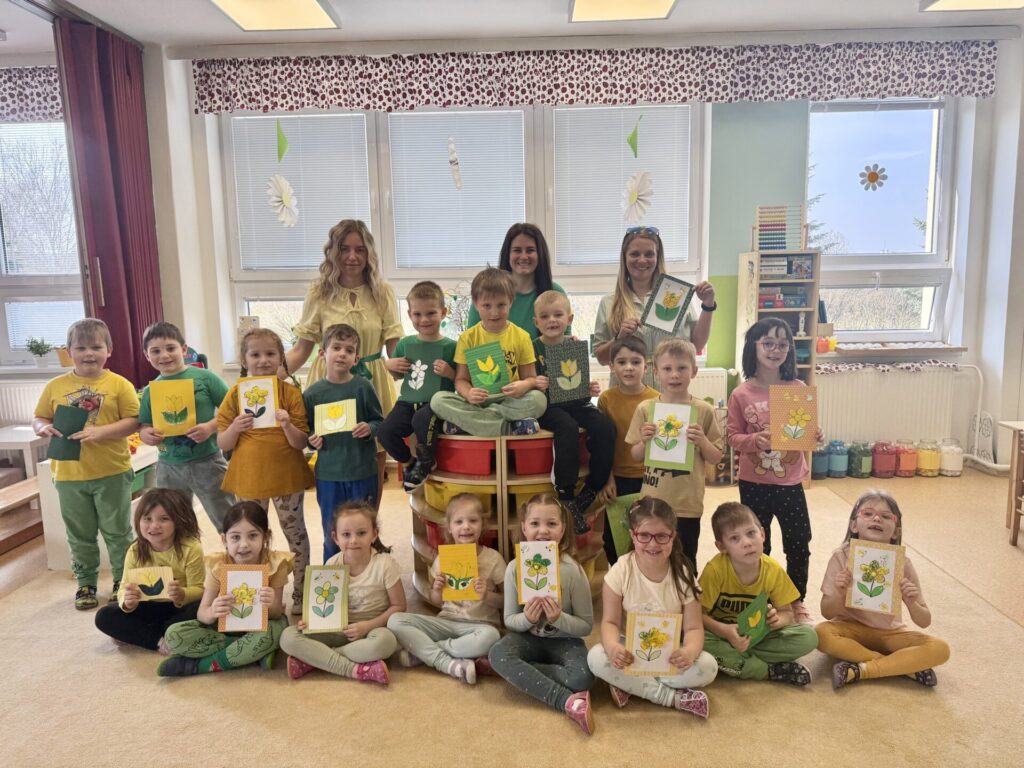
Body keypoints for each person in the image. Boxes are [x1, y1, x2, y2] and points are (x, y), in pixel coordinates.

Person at [286, 219, 404, 500]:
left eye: (360, 250)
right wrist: (265, 374)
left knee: (373, 456)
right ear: (332, 252)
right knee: (332, 451)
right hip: (330, 383)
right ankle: (335, 521)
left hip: (372, 381)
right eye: (344, 249)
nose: (352, 256)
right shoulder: (318, 292)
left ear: (369, 254)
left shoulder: (383, 292)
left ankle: (369, 524)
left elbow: (395, 349)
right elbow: (302, 349)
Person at [32, 318, 140, 610]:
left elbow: (134, 421)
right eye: (80, 348)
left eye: (96, 347)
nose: (89, 353)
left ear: (109, 350)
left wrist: (100, 432)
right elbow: (39, 417)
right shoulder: (55, 386)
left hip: (112, 471)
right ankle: (86, 583)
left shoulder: (120, 384)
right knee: (80, 534)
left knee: (118, 532)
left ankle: (123, 581)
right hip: (69, 474)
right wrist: (42, 428)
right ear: (69, 351)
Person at [407, 268, 547, 488]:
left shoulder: (521, 336)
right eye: (486, 305)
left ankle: (469, 424)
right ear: (476, 304)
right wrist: (469, 392)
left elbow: (531, 378)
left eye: (501, 305)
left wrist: (523, 385)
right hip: (477, 402)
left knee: (539, 400)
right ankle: (507, 428)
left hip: (509, 401)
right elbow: (460, 380)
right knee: (438, 400)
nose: (494, 312)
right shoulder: (468, 337)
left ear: (511, 302)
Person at [587, 498, 716, 718]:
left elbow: (694, 628)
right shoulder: (621, 571)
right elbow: (610, 622)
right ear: (633, 535)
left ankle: (631, 685)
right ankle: (670, 698)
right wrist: (613, 648)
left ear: (673, 536)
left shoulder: (683, 574)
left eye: (662, 536)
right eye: (644, 536)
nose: (653, 544)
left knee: (708, 667)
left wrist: (688, 652)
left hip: (668, 654)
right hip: (629, 652)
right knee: (595, 657)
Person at [727, 317, 818, 623]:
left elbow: (803, 433)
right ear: (753, 347)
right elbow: (732, 437)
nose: (775, 350)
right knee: (756, 545)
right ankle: (760, 599)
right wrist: (755, 440)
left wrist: (814, 434)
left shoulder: (797, 388)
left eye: (782, 344)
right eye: (768, 343)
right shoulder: (742, 394)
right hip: (754, 483)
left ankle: (796, 600)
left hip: (790, 482)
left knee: (798, 542)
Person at [217, 328, 312, 613]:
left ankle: (301, 593)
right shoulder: (235, 395)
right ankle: (251, 596)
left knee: (295, 535)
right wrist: (235, 427)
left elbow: (301, 442)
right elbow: (223, 443)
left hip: (286, 477)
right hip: (248, 478)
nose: (263, 360)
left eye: (270, 354)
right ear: (244, 360)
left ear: (281, 358)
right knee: (248, 538)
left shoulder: (290, 393)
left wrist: (287, 424)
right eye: (255, 354)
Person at [817, 491, 950, 690]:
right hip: (850, 630)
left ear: (896, 531)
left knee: (940, 649)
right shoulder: (841, 557)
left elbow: (924, 620)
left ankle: (863, 669)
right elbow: (826, 612)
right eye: (868, 513)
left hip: (891, 634)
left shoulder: (902, 564)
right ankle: (899, 666)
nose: (877, 518)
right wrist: (840, 592)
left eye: (886, 516)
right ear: (854, 525)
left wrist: (912, 602)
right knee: (820, 633)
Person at [488, 494, 596, 736]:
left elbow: (586, 626)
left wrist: (560, 619)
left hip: (565, 641)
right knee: (497, 654)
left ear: (563, 529)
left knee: (583, 679)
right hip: (528, 638)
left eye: (552, 524)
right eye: (535, 523)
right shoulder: (514, 568)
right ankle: (566, 701)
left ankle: (523, 672)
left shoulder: (573, 571)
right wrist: (527, 619)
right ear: (524, 528)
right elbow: (510, 621)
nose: (543, 531)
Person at [157, 501, 292, 676]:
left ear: (266, 537)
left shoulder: (275, 564)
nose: (244, 544)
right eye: (235, 537)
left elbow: (276, 613)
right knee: (174, 634)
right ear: (224, 540)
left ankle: (201, 665)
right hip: (225, 630)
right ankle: (251, 652)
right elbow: (202, 613)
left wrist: (271, 603)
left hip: (262, 627)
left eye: (253, 536)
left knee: (278, 631)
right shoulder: (218, 566)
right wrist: (213, 611)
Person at [281, 501, 405, 685]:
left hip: (372, 631)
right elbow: (322, 605)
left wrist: (367, 626)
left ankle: (314, 661)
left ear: (374, 534)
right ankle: (354, 669)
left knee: (387, 642)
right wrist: (311, 621)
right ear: (335, 538)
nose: (353, 540)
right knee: (288, 637)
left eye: (361, 533)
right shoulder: (332, 564)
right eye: (346, 535)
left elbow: (399, 606)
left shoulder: (385, 564)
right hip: (338, 629)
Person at [388, 493, 504, 684]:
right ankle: (449, 659)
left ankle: (426, 652)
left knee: (491, 637)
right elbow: (438, 601)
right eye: (458, 522)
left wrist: (486, 595)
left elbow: (505, 601)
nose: (466, 527)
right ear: (449, 527)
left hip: (479, 626)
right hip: (446, 622)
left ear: (482, 524)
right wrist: (436, 589)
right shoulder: (443, 559)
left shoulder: (493, 559)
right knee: (395, 620)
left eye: (473, 520)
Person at [626, 339, 723, 566]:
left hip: (687, 504)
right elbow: (635, 455)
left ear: (694, 371)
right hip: (652, 503)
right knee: (649, 558)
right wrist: (644, 441)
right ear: (656, 372)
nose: (675, 375)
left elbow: (716, 457)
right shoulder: (646, 409)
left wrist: (702, 441)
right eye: (667, 369)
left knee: (685, 561)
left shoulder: (704, 410)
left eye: (682, 368)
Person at [699, 502, 819, 686]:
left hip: (755, 637)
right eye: (735, 538)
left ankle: (733, 661)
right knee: (695, 639)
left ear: (762, 534)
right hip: (719, 635)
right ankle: (764, 671)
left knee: (809, 637)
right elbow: (696, 615)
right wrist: (724, 631)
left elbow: (787, 613)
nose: (747, 543)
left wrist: (777, 620)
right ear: (721, 546)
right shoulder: (715, 570)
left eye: (751, 533)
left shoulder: (773, 570)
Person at [137, 321, 236, 532]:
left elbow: (232, 410)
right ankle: (186, 554)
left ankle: (237, 552)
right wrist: (147, 435)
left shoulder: (205, 378)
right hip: (168, 466)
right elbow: (144, 425)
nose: (164, 355)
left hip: (208, 461)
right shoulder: (150, 391)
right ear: (147, 356)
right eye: (156, 351)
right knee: (174, 524)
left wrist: (210, 427)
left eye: (170, 348)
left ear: (183, 349)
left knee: (227, 518)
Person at [592, 226, 716, 389]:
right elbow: (601, 358)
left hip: (669, 390)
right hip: (626, 393)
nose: (642, 260)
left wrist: (708, 305)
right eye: (635, 254)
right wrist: (618, 339)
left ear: (658, 257)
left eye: (649, 254)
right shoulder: (609, 302)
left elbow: (697, 345)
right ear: (624, 257)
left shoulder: (675, 295)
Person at [532, 290, 615, 534]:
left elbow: (579, 387)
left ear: (569, 318)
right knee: (566, 427)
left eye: (558, 315)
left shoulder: (574, 346)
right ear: (536, 322)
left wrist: (589, 388)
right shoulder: (532, 349)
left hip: (576, 403)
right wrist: (536, 383)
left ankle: (592, 488)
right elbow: (525, 382)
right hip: (549, 407)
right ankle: (566, 496)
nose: (552, 320)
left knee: (605, 426)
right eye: (545, 316)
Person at [303, 323, 384, 562]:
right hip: (329, 475)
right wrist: (312, 439)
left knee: (363, 529)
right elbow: (306, 431)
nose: (342, 354)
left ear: (356, 358)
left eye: (349, 350)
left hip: (362, 472)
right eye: (336, 348)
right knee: (332, 531)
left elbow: (380, 422)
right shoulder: (312, 394)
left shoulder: (363, 387)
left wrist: (369, 428)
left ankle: (367, 576)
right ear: (322, 353)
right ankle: (334, 578)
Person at [94, 488, 204, 652]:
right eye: (147, 519)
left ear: (178, 521)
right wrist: (127, 602)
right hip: (147, 606)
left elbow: (199, 589)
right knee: (104, 616)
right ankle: (158, 641)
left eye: (164, 519)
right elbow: (124, 587)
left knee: (204, 609)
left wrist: (182, 594)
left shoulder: (191, 548)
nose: (154, 526)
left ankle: (147, 633)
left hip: (179, 609)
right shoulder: (135, 550)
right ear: (138, 521)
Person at [375, 281, 456, 487]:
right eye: (417, 314)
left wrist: (450, 372)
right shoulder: (405, 344)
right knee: (384, 432)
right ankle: (411, 463)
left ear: (443, 312)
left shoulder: (452, 347)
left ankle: (426, 463)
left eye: (431, 313)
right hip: (407, 403)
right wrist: (389, 364)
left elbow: (462, 381)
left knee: (421, 419)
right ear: (410, 315)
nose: (424, 319)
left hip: (435, 405)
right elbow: (397, 374)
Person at [596, 336, 659, 566]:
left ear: (646, 366)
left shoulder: (656, 400)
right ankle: (620, 581)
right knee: (615, 538)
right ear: (612, 367)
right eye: (622, 362)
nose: (629, 368)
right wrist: (607, 477)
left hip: (650, 479)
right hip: (618, 479)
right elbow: (602, 444)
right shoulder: (606, 399)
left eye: (635, 362)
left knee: (649, 535)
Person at [465, 222, 568, 339]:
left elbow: (564, 340)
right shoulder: (486, 291)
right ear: (508, 254)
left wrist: (571, 343)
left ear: (540, 254)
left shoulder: (555, 292)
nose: (524, 257)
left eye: (530, 250)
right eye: (517, 250)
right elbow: (472, 341)